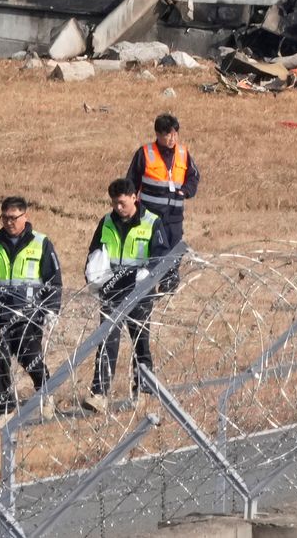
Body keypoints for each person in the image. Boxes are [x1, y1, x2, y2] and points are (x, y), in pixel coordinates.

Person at [82, 179, 168, 412]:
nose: (118, 208)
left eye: (121, 203)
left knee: (140, 340)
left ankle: (142, 389)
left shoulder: (151, 222)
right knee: (107, 339)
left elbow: (161, 255)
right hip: (112, 289)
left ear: (133, 197)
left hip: (140, 289)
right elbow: (95, 251)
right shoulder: (107, 222)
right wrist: (91, 274)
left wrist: (148, 274)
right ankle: (99, 393)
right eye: (114, 203)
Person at [0, 196, 62, 423]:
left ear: (25, 216)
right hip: (1, 314)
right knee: (0, 361)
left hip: (29, 314)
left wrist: (52, 309)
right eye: (4, 218)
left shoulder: (41, 243)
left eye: (13, 218)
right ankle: (5, 410)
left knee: (30, 357)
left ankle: (45, 393)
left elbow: (53, 280)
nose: (8, 222)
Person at [126, 113, 198, 292]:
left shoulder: (183, 153)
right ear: (158, 134)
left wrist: (186, 191)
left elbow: (194, 176)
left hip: (174, 215)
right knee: (154, 250)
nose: (172, 138)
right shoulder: (145, 153)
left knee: (174, 249)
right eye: (168, 134)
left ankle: (168, 283)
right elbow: (132, 182)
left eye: (175, 134)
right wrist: (130, 207)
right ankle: (148, 283)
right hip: (151, 214)